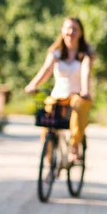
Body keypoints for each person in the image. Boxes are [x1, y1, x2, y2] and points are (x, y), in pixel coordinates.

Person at [25, 17, 94, 162]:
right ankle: (50, 162)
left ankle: (74, 146)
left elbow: (85, 73)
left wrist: (85, 91)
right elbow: (45, 71)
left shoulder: (84, 55)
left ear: (80, 33)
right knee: (47, 119)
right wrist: (33, 85)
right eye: (68, 28)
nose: (71, 32)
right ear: (62, 31)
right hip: (58, 96)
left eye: (75, 29)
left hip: (78, 96)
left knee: (78, 105)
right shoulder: (56, 53)